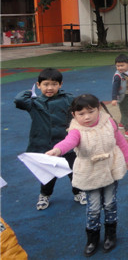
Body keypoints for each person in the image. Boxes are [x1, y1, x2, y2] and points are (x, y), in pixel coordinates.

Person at [46, 94, 128, 257]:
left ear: (98, 109)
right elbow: (69, 142)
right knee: (93, 207)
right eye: (81, 114)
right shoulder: (76, 130)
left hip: (110, 167)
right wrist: (58, 150)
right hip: (90, 172)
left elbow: (119, 139)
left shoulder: (108, 122)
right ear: (74, 114)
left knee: (110, 203)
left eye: (91, 112)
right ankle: (92, 238)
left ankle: (110, 234)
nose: (86, 117)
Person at [14, 68, 85, 210]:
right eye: (45, 84)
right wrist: (30, 92)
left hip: (66, 143)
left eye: (54, 84)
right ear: (38, 85)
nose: (50, 88)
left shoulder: (67, 99)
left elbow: (81, 109)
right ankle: (45, 194)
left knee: (74, 170)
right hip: (45, 145)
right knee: (47, 173)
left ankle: (79, 191)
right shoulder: (34, 102)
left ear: (60, 84)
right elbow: (19, 100)